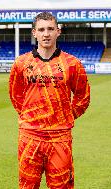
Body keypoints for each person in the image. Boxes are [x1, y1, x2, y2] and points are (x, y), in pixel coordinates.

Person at [9, 12, 90, 189]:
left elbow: (82, 97)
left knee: (62, 186)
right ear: (34, 33)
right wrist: (31, 116)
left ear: (58, 31)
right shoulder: (21, 63)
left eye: (50, 29)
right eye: (42, 29)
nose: (46, 34)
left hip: (59, 138)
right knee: (27, 185)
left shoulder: (72, 64)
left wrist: (64, 116)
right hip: (30, 136)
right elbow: (16, 96)